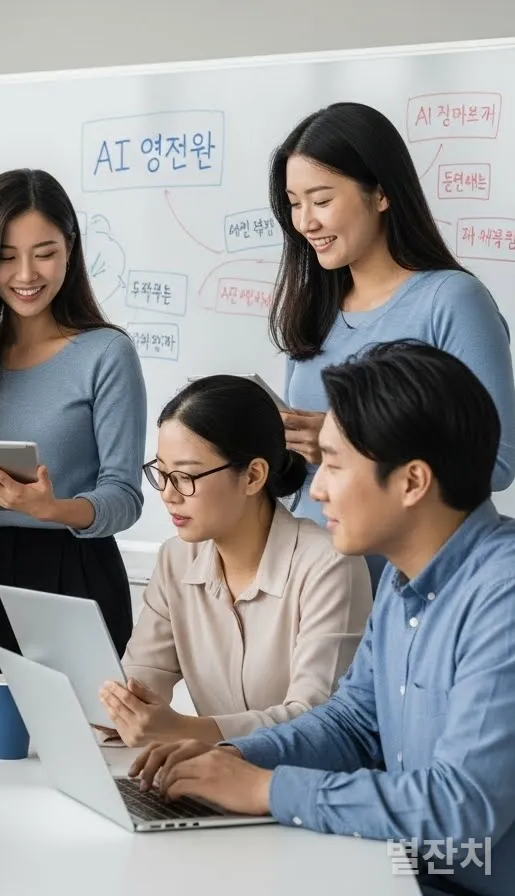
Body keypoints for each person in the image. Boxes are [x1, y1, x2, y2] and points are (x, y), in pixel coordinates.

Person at [130, 342, 515, 896]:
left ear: (411, 482)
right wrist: (229, 759)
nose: (316, 488)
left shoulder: (501, 595)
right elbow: (353, 723)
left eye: (334, 464)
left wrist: (266, 790)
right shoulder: (405, 579)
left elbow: (462, 810)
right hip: (401, 873)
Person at [0, 168, 146, 724]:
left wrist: (53, 509)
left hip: (79, 574)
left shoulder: (106, 354)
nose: (26, 275)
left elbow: (125, 496)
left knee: (92, 738)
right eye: (6, 256)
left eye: (44, 253)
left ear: (70, 249)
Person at [267, 101, 515, 583]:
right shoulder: (313, 309)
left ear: (380, 193)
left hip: (419, 584)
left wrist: (344, 440)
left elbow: (497, 462)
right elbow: (307, 476)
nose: (305, 222)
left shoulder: (451, 301)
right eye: (294, 203)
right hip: (318, 583)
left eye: (321, 200)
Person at [99, 375, 371, 747]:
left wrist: (184, 730)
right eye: (161, 473)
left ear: (253, 476)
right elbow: (142, 677)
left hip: (296, 778)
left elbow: (314, 718)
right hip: (212, 773)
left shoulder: (330, 565)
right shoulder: (176, 559)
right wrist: (116, 707)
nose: (168, 494)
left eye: (185, 476)